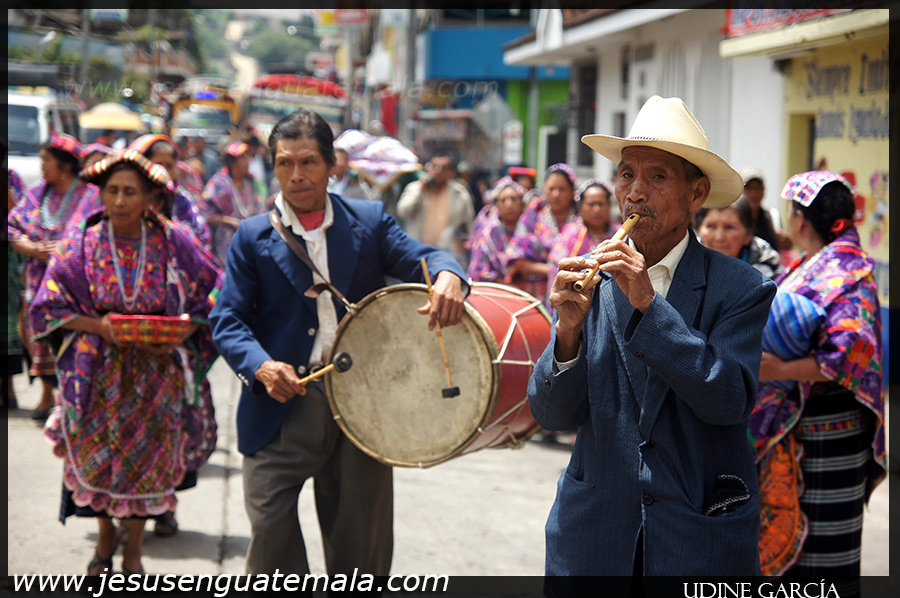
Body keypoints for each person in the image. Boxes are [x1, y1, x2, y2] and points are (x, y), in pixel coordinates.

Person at [528, 96, 776, 592]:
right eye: (626, 175)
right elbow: (552, 416)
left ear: (696, 193)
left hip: (695, 539)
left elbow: (728, 400)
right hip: (595, 538)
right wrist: (567, 333)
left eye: (657, 177)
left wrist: (648, 306)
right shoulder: (591, 279)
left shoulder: (741, 287)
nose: (636, 192)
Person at [208, 108, 468, 577]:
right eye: (284, 163)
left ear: (332, 166)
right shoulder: (252, 237)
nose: (296, 174)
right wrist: (262, 365)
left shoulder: (367, 221)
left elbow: (424, 258)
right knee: (269, 530)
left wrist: (449, 274)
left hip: (361, 403)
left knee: (360, 546)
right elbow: (227, 320)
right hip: (281, 402)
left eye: (308, 161)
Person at [30, 150, 221, 576]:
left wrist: (181, 332)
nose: (119, 201)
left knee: (146, 463)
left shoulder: (175, 243)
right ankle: (104, 540)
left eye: (130, 192)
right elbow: (49, 306)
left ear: (150, 198)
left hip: (156, 375)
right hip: (97, 374)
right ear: (101, 195)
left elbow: (212, 293)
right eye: (112, 191)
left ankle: (133, 550)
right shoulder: (81, 243)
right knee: (98, 459)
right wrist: (99, 327)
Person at [750, 171, 885, 579]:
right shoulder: (812, 263)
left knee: (825, 548)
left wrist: (781, 369)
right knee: (786, 530)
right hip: (797, 424)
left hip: (830, 430)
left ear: (800, 218)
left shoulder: (847, 272)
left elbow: (850, 352)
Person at [7, 133, 99, 421]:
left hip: (75, 285)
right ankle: (48, 394)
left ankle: (67, 398)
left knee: (69, 335)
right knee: (36, 334)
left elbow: (99, 234)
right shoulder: (37, 193)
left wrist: (66, 252)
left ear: (65, 165)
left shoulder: (91, 196)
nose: (42, 165)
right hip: (37, 281)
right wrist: (33, 248)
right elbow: (12, 227)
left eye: (46, 159)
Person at [504, 163, 579, 303]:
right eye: (551, 188)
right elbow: (515, 259)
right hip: (536, 298)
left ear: (572, 192)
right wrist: (553, 270)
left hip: (576, 294)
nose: (556, 194)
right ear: (544, 189)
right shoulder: (533, 216)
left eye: (562, 189)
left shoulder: (582, 219)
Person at [130, 134, 213, 251]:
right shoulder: (128, 200)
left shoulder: (181, 201)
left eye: (169, 166)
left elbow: (202, 237)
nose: (163, 171)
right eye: (158, 164)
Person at [546, 179, 620, 308]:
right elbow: (556, 271)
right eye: (591, 204)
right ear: (581, 207)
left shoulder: (620, 233)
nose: (597, 209)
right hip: (578, 303)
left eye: (601, 204)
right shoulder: (570, 235)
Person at [397, 152, 475, 269]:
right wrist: (420, 192)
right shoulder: (415, 188)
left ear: (451, 172)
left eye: (444, 168)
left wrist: (467, 243)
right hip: (418, 251)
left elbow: (469, 223)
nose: (438, 171)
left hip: (448, 254)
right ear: (428, 168)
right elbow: (403, 212)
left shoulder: (460, 192)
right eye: (435, 166)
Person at [198, 141, 264, 265]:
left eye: (247, 157)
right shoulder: (219, 184)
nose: (247, 162)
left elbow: (257, 207)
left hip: (249, 239)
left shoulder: (250, 182)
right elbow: (204, 212)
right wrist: (229, 221)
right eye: (243, 158)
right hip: (226, 243)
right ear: (232, 162)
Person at [695, 196, 782, 279]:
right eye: (711, 226)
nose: (719, 237)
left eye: (729, 227)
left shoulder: (767, 273)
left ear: (748, 235)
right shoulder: (688, 264)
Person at [466, 176, 526, 283]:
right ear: (496, 205)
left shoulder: (530, 230)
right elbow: (479, 272)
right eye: (503, 200)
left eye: (513, 199)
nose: (509, 204)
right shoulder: (487, 234)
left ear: (522, 203)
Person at [740, 167, 792, 253]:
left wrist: (785, 242)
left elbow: (784, 246)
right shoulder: (734, 219)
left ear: (763, 190)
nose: (753, 194)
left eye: (757, 188)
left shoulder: (773, 217)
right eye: (749, 188)